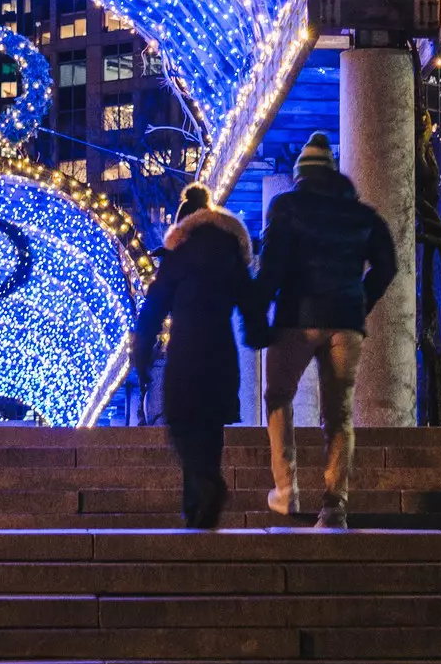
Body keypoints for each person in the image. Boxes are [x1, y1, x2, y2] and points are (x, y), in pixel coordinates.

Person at [254, 131, 398, 529]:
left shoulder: (286, 207)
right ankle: (334, 505)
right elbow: (388, 266)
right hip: (346, 322)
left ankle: (286, 489)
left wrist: (258, 310)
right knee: (338, 416)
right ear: (333, 175)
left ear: (300, 175)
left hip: (297, 317)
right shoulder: (363, 215)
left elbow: (271, 268)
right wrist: (360, 300)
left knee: (278, 396)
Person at [131, 182, 262, 529]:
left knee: (182, 424)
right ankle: (199, 507)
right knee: (210, 427)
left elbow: (154, 307)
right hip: (221, 351)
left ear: (183, 225)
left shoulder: (179, 256)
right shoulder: (231, 253)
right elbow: (249, 301)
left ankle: (204, 489)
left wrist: (141, 353)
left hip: (186, 351)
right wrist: (258, 332)